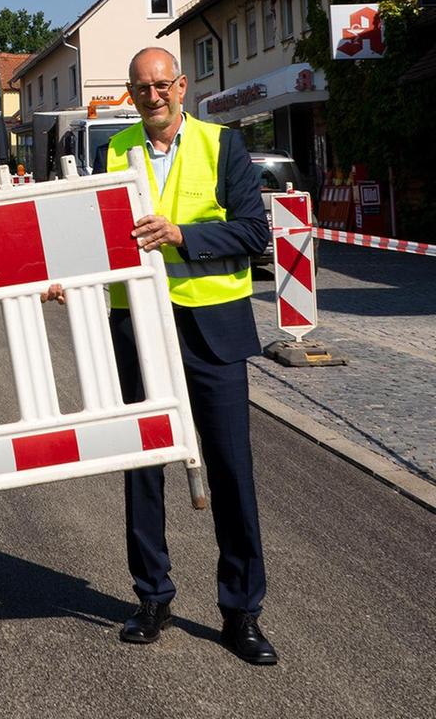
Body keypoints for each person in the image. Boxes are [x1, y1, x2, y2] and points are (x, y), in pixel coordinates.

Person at [44, 47, 277, 665]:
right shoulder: (112, 153)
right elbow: (90, 231)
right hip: (139, 327)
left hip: (213, 329)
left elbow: (255, 233)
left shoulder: (222, 144)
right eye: (141, 88)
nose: (153, 95)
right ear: (130, 93)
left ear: (181, 85)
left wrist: (182, 236)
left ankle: (241, 613)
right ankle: (152, 598)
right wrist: (74, 276)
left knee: (231, 471)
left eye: (162, 85)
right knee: (143, 468)